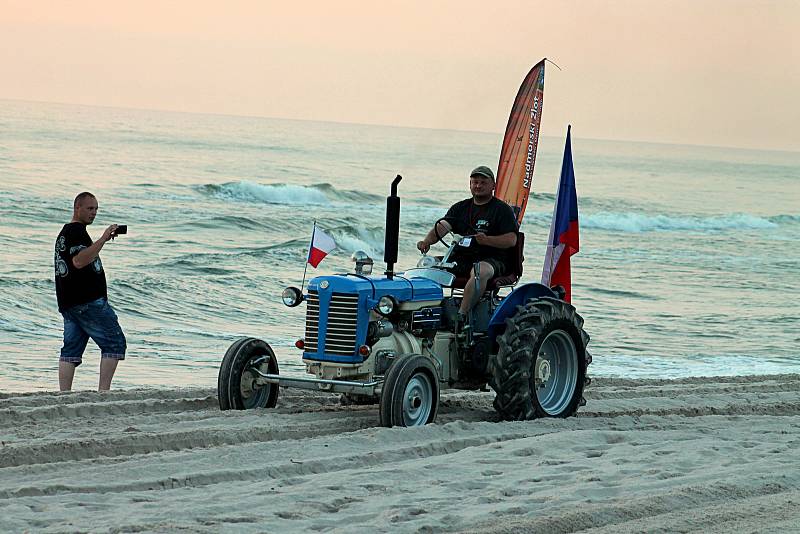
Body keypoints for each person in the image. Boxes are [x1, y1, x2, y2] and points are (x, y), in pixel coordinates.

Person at [417, 165, 518, 320]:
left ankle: (461, 317)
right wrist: (427, 242)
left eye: (483, 182)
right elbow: (443, 226)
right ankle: (423, 313)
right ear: (470, 184)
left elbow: (511, 240)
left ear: (493, 185)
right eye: (475, 182)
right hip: (461, 258)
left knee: (479, 272)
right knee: (425, 265)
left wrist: (487, 240)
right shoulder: (460, 207)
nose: (478, 186)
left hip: (492, 259)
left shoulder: (502, 210)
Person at [54, 192, 126, 391]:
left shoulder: (68, 232)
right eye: (89, 208)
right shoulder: (75, 231)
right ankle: (104, 392)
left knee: (71, 350)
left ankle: (65, 395)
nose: (93, 213)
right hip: (87, 302)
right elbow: (78, 261)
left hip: (70, 302)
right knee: (114, 342)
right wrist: (102, 239)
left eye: (96, 209)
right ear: (77, 208)